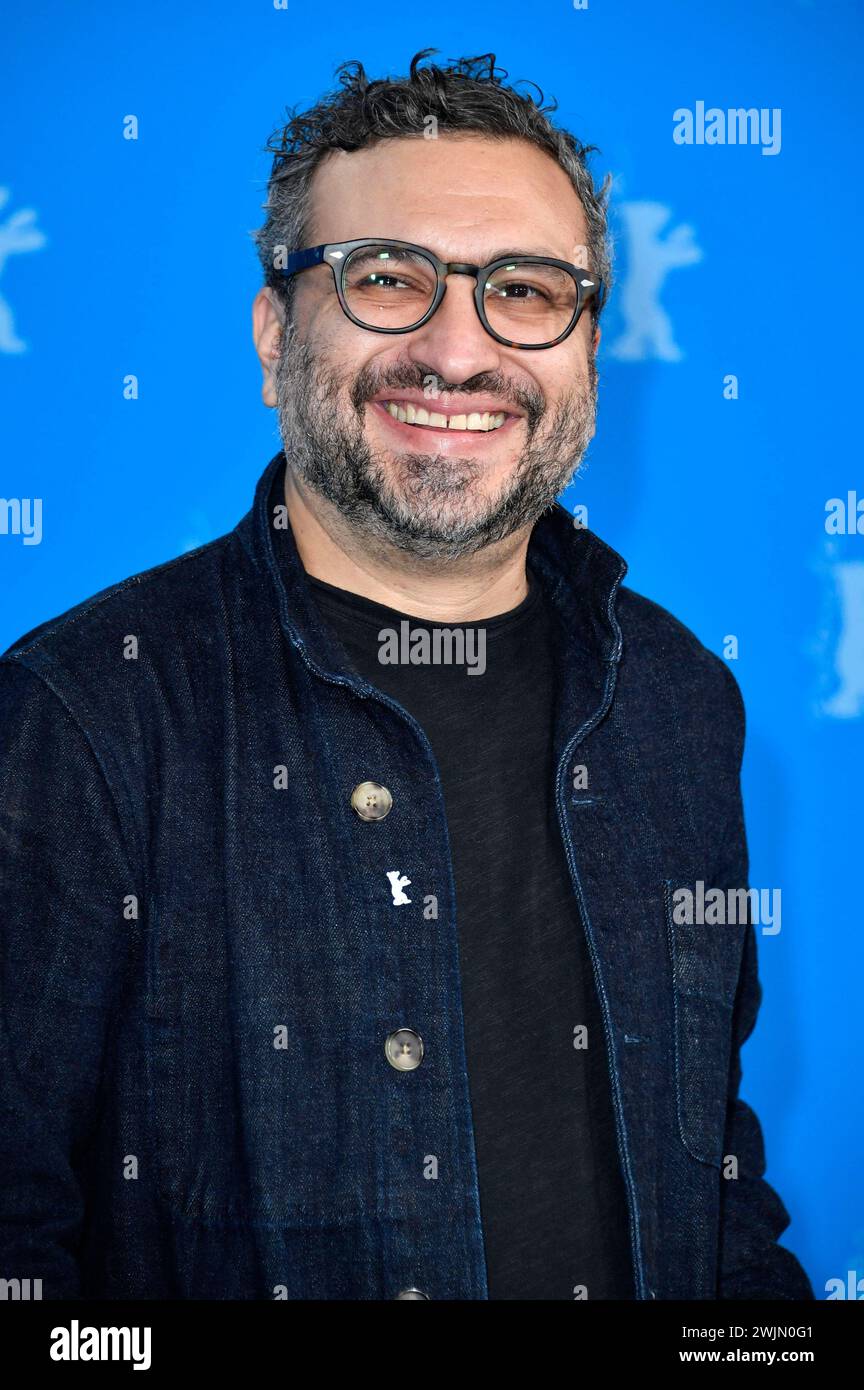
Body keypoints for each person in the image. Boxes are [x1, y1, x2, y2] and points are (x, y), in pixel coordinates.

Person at [0, 50, 812, 1300]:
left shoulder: (679, 698)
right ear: (276, 333)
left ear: (588, 347)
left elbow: (710, 1181)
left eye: (526, 291)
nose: (457, 348)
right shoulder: (85, 712)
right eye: (388, 278)